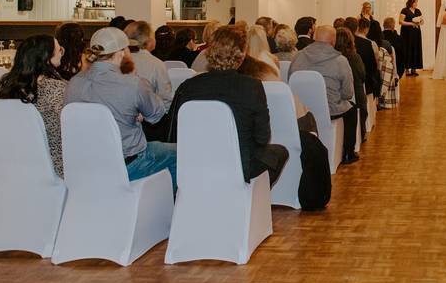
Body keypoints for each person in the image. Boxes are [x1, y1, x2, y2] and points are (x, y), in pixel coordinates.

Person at [165, 26, 288, 186]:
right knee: (280, 152)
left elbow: (176, 131)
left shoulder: (188, 86)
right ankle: (250, 195)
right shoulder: (252, 87)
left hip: (195, 164)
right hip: (240, 165)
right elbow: (262, 137)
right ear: (242, 55)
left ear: (208, 52)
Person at [64, 27, 176, 192]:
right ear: (122, 52)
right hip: (129, 163)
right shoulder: (133, 84)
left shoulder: (73, 83)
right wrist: (136, 80)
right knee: (182, 154)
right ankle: (161, 206)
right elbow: (157, 115)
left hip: (87, 163)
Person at [0, 35, 66, 177]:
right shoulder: (57, 88)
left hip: (11, 164)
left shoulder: (7, 85)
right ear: (46, 57)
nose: (61, 53)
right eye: (59, 50)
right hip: (53, 166)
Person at [290, 26, 359, 164]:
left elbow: (291, 80)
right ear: (333, 40)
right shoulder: (340, 61)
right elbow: (348, 93)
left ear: (314, 37)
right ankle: (349, 153)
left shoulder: (297, 56)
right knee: (352, 110)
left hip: (301, 109)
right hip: (331, 110)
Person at [334, 27, 368, 155]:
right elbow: (362, 75)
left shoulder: (332, 58)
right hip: (353, 94)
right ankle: (358, 137)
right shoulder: (354, 57)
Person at [124, 20, 172, 105]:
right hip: (148, 114)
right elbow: (165, 99)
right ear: (149, 40)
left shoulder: (116, 60)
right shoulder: (156, 64)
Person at [399, 0, 423, 76]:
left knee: (415, 48)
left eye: (417, 2)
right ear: (411, 3)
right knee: (407, 48)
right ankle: (407, 69)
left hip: (416, 33)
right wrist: (411, 23)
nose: (416, 4)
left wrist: (419, 22)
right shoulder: (404, 10)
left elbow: (422, 21)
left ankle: (414, 69)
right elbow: (400, 21)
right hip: (407, 33)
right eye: (415, 2)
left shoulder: (418, 11)